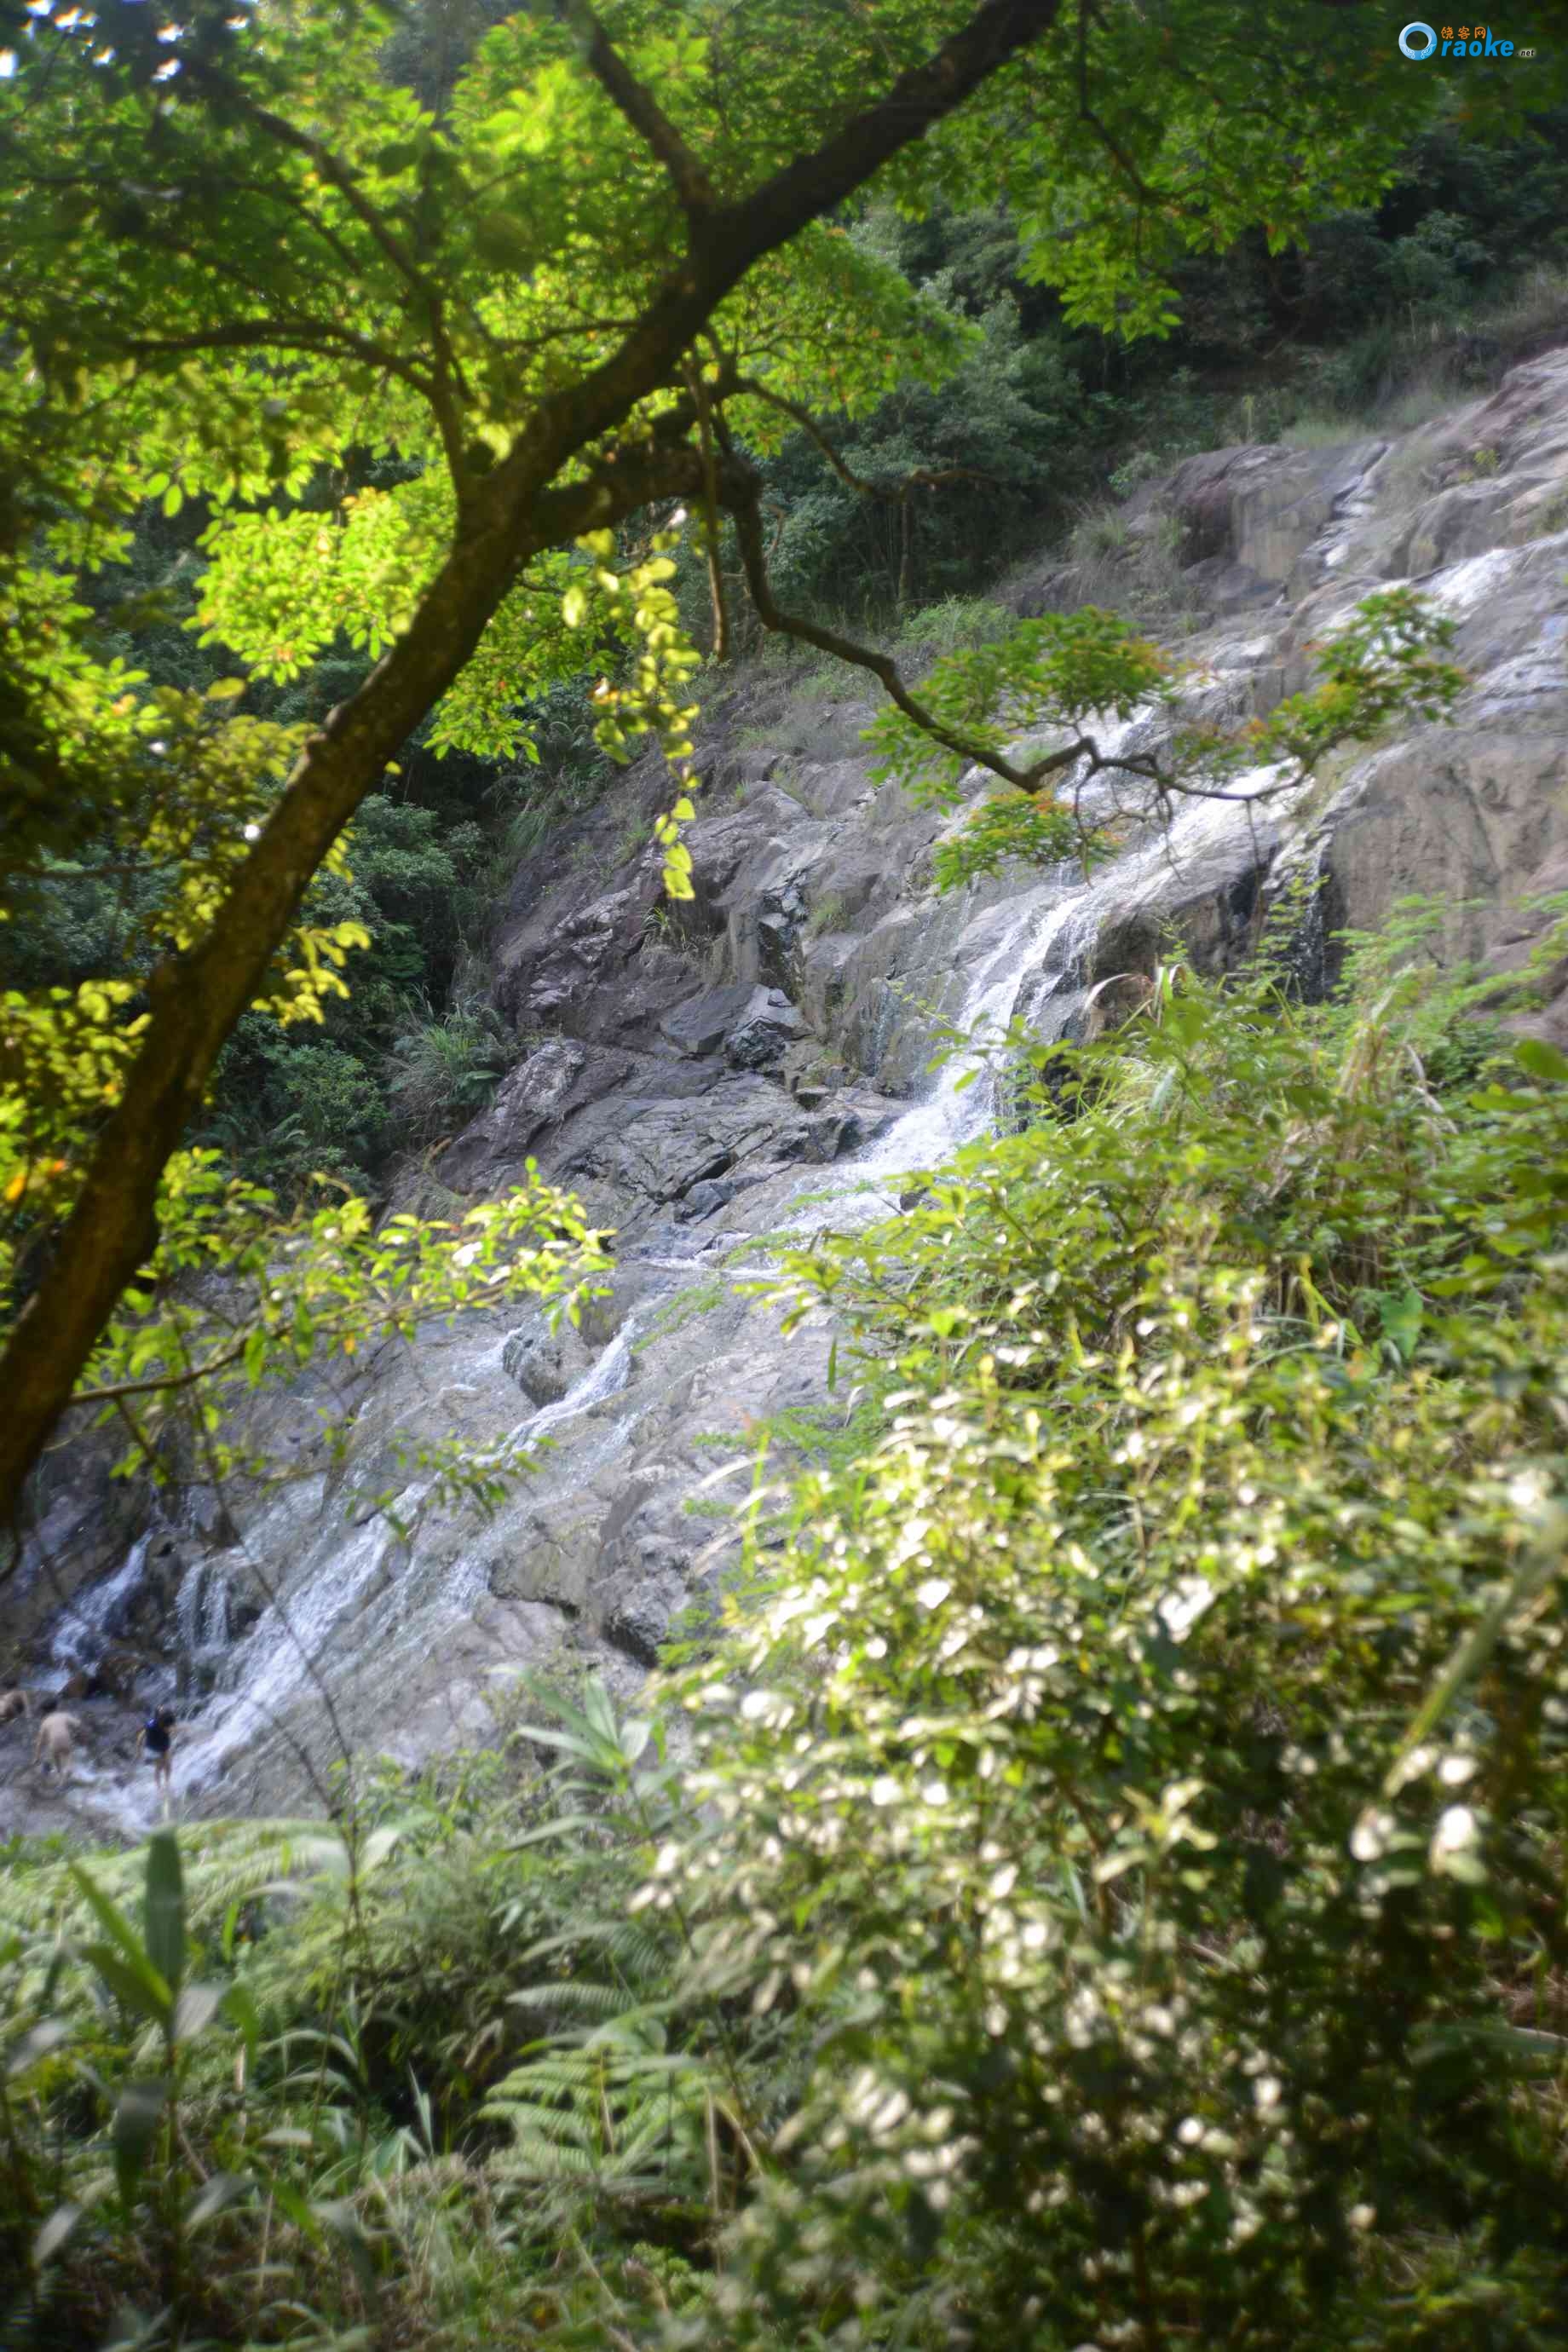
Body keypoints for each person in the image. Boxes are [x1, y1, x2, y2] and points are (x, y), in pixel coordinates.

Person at [137, 1706, 176, 1799]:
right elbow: (141, 1737)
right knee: (159, 1767)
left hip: (164, 1746)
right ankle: (159, 1789)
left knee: (168, 1764)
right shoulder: (151, 1726)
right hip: (153, 1749)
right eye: (168, 1727)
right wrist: (139, 1749)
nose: (170, 1728)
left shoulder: (168, 1721)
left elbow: (172, 1729)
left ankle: (167, 1783)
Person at [33, 1709, 83, 1778]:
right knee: (68, 1754)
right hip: (65, 1740)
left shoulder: (45, 1722)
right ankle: (69, 1769)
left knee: (57, 1766)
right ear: (57, 1708)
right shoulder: (64, 1715)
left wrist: (37, 1757)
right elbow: (78, 1724)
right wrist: (76, 1733)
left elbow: (39, 1742)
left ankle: (60, 1775)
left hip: (53, 1744)